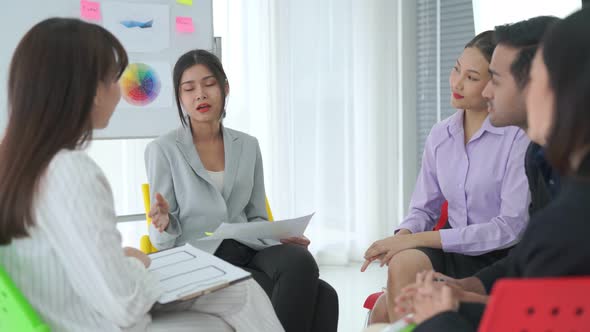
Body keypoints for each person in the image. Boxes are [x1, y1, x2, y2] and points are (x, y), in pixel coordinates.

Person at [0, 18, 283, 332]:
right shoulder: (73, 172)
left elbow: (66, 257)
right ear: (92, 90)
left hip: (72, 311)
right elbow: (128, 305)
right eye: (114, 79)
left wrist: (121, 260)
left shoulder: (19, 165)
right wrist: (137, 261)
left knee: (241, 293)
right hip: (95, 320)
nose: (120, 93)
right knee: (240, 300)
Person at [410, 7, 590, 331]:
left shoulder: (565, 221)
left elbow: (538, 315)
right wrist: (469, 289)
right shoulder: (539, 160)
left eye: (493, 79)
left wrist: (439, 318)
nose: (486, 92)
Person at [144, 49, 338, 332]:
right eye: (189, 89)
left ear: (225, 88)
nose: (200, 94)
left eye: (209, 84)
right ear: (180, 98)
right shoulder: (163, 149)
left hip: (248, 247)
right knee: (324, 296)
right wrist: (161, 224)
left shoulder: (248, 145)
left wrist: (281, 237)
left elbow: (257, 216)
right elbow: (162, 243)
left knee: (300, 260)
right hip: (200, 257)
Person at [364, 30, 531, 323]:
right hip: (452, 250)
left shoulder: (517, 137)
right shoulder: (441, 134)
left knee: (384, 314)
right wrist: (403, 237)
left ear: (495, 84)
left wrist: (419, 238)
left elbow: (510, 227)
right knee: (403, 262)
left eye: (471, 77)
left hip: (499, 255)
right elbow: (423, 208)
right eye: (456, 70)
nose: (457, 83)